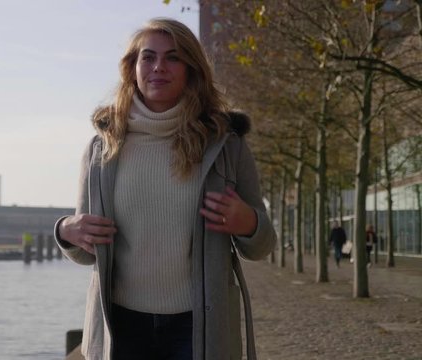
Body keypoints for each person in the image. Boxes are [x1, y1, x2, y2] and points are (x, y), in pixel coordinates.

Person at [54, 18, 276, 360]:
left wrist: (248, 222)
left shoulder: (227, 146)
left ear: (191, 69)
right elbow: (87, 253)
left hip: (198, 326)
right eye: (148, 57)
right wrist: (67, 231)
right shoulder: (101, 148)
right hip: (120, 325)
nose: (159, 67)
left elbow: (262, 246)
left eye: (173, 57)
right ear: (132, 68)